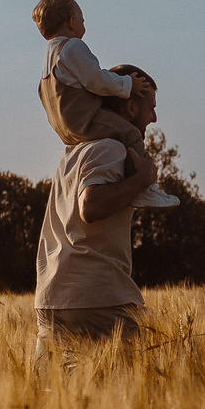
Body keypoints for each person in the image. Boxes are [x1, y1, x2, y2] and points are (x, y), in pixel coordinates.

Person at [33, 66, 164, 354]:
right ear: (130, 107)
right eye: (150, 108)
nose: (154, 118)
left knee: (51, 396)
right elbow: (90, 207)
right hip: (97, 295)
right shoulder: (110, 147)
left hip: (52, 298)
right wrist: (143, 179)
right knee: (136, 386)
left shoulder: (73, 153)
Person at [31, 0, 178, 208]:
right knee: (131, 134)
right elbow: (96, 79)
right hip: (84, 118)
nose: (84, 24)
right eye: (82, 19)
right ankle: (144, 188)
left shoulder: (47, 60)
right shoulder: (72, 47)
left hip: (65, 129)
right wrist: (128, 85)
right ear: (72, 22)